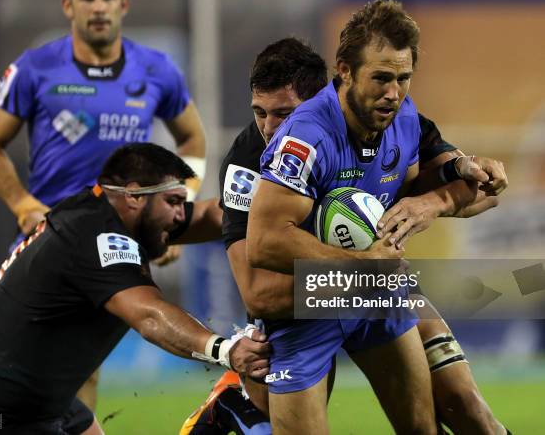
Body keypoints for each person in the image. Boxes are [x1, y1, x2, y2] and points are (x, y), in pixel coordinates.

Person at [183, 36, 509, 434]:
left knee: (464, 403)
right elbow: (259, 293)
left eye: (283, 114)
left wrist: (432, 202)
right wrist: (364, 272)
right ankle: (235, 406)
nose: (270, 129)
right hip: (300, 307)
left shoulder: (383, 120)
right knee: (271, 413)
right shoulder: (248, 164)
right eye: (259, 113)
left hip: (375, 289)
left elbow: (481, 194)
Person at [0, 0, 206, 408]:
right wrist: (23, 204)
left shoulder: (157, 69)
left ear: (124, 5)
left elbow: (193, 139)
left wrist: (175, 212)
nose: (98, 7)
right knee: (22, 362)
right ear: (68, 6)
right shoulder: (34, 68)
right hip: (51, 240)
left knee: (82, 365)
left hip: (118, 242)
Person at [0, 144, 269, 435]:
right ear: (134, 196)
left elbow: (213, 214)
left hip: (43, 403)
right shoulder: (96, 239)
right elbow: (149, 316)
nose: (180, 215)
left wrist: (277, 208)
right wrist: (226, 351)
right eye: (173, 202)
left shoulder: (102, 212)